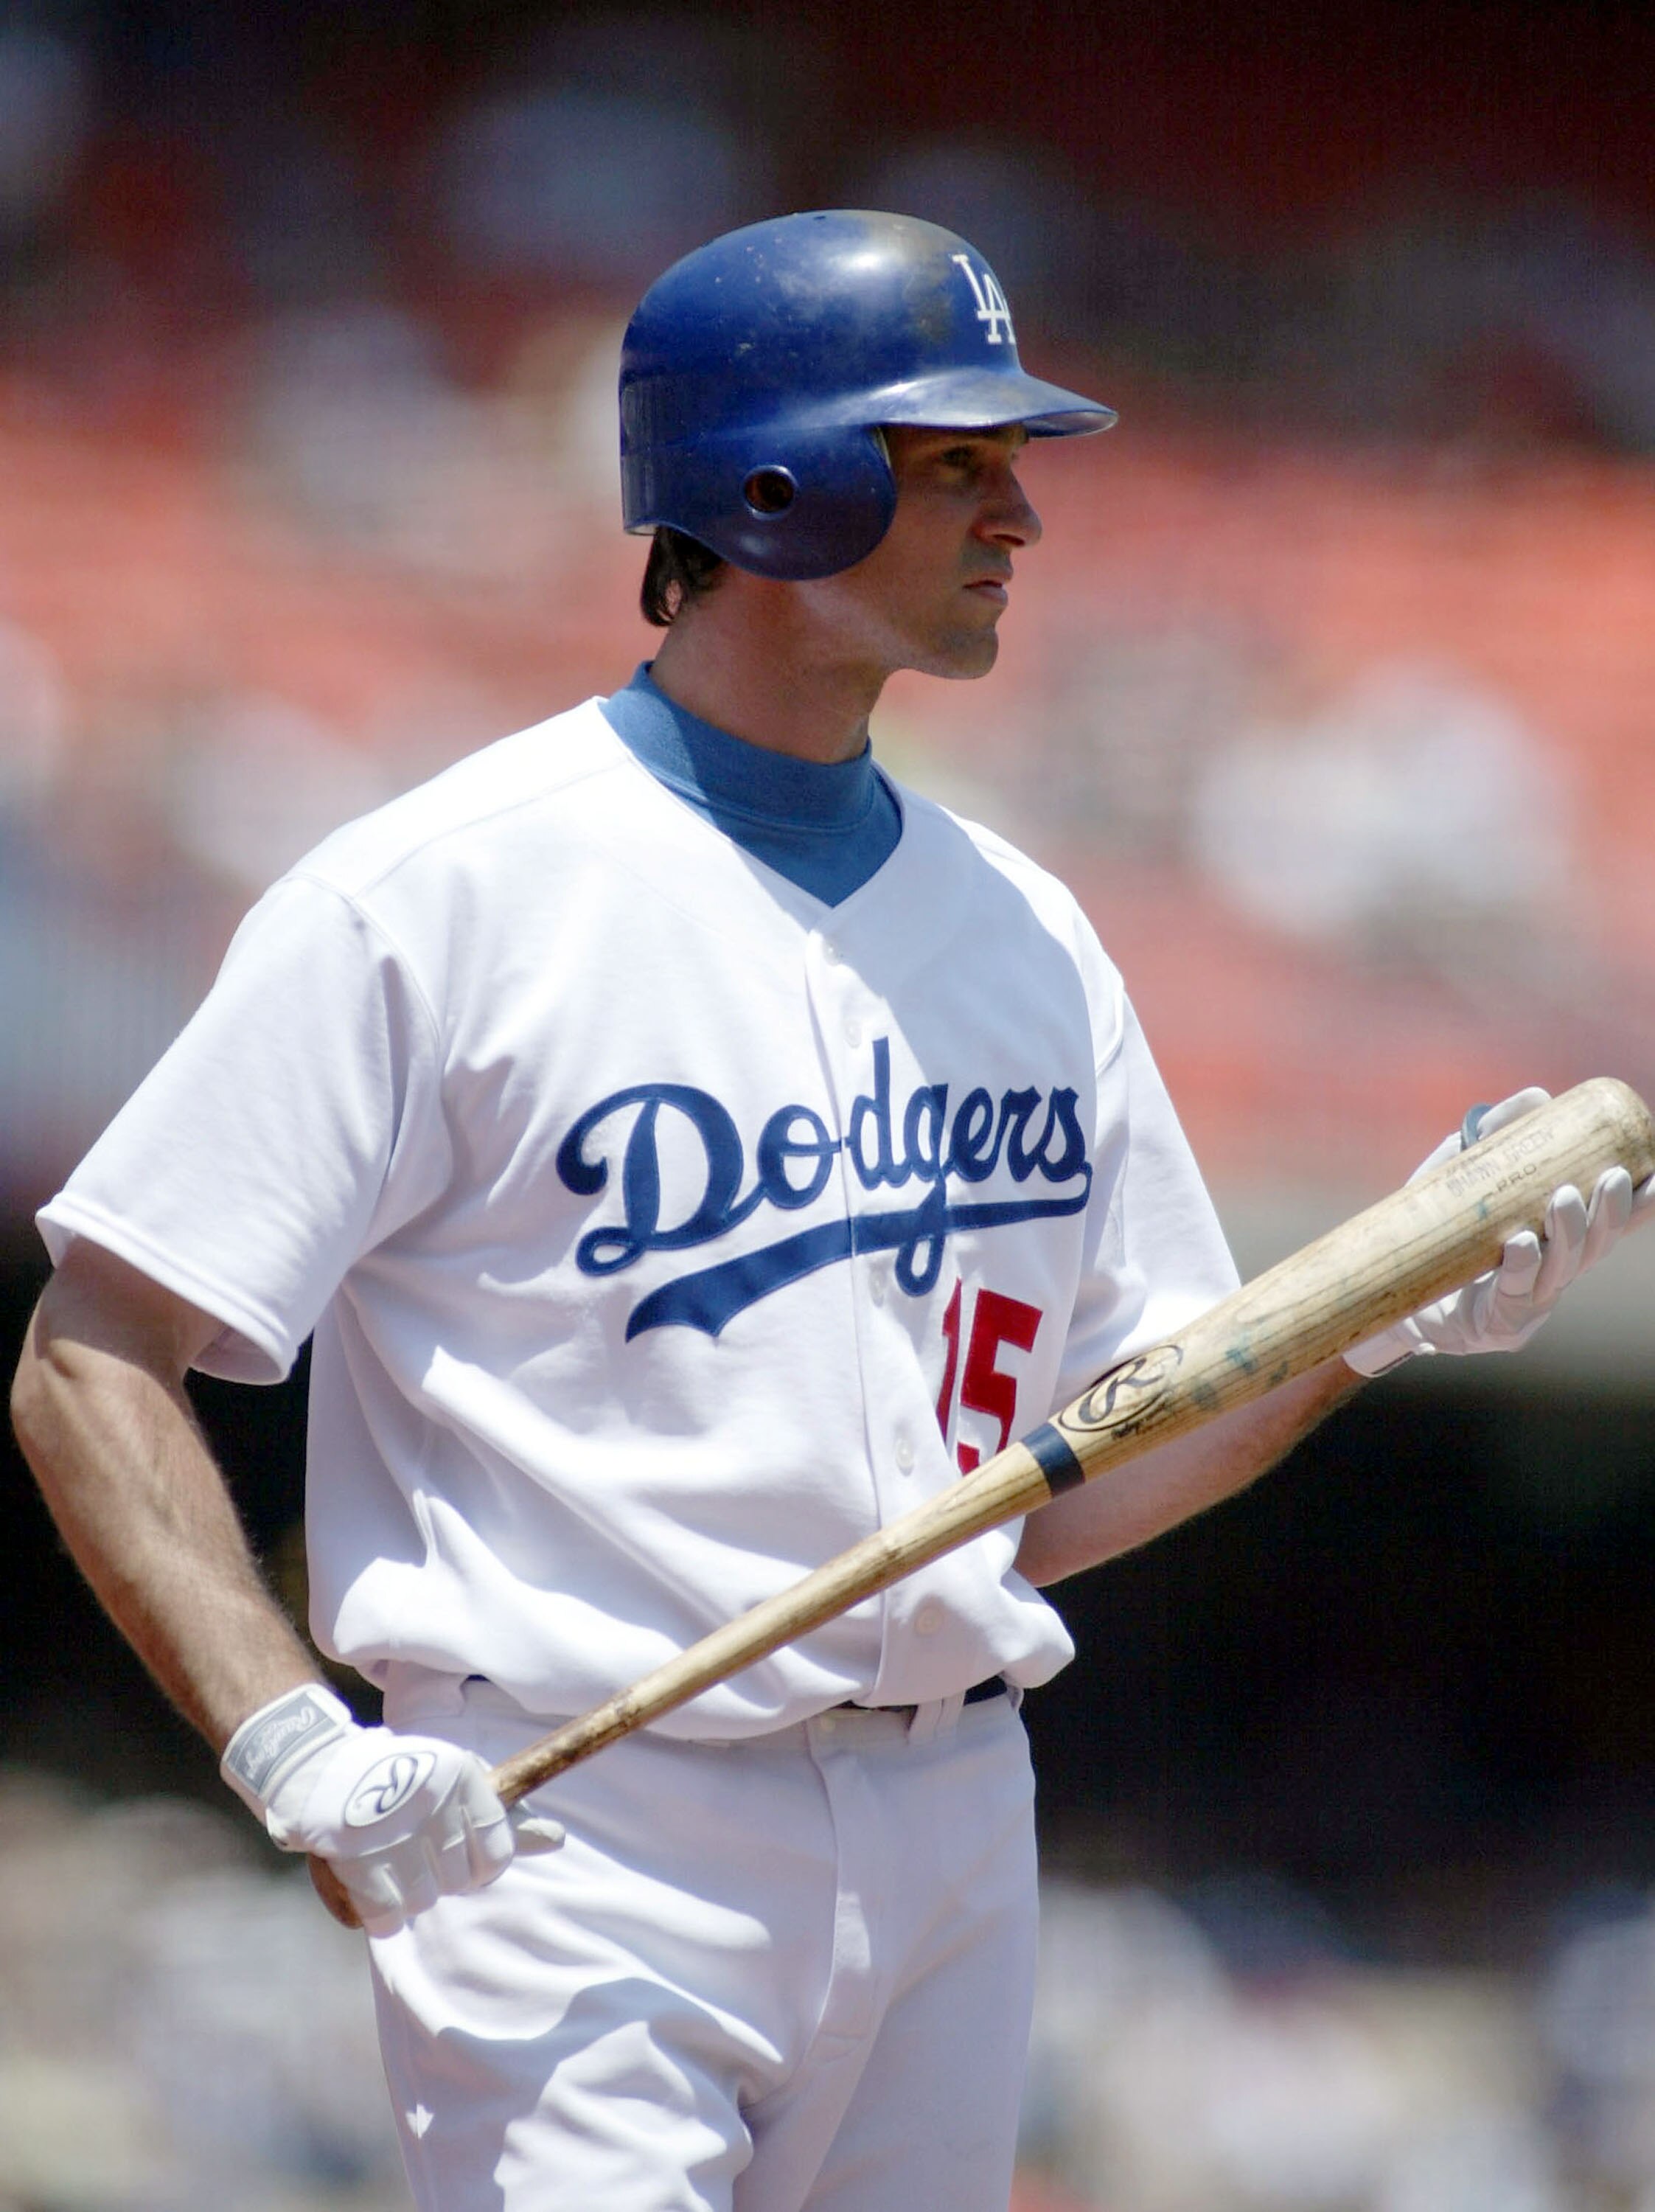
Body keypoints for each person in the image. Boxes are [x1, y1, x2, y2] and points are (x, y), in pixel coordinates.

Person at [10, 211, 1646, 2212]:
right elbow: (95, 1355)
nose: (1022, 519)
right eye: (960, 463)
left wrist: (1374, 1320)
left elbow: (1076, 1468)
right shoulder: (438, 897)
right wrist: (291, 1743)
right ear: (774, 487)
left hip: (961, 1817)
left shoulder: (1027, 932)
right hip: (588, 1820)